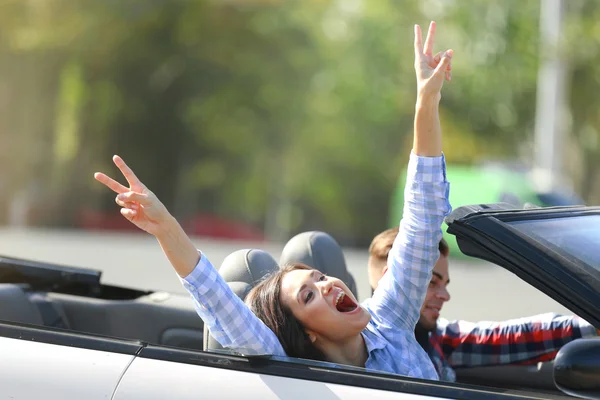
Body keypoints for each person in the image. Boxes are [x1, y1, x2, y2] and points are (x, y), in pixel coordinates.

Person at [94, 21, 453, 380]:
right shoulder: (293, 370)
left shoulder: (388, 320)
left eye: (320, 277)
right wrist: (165, 229)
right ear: (306, 333)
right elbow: (221, 307)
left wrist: (426, 99)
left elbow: (423, 215)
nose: (327, 285)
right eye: (309, 296)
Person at [368, 228, 600, 382]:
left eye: (445, 283)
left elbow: (507, 337)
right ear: (389, 281)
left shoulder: (436, 339)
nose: (445, 295)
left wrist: (591, 325)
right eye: (431, 282)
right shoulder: (361, 344)